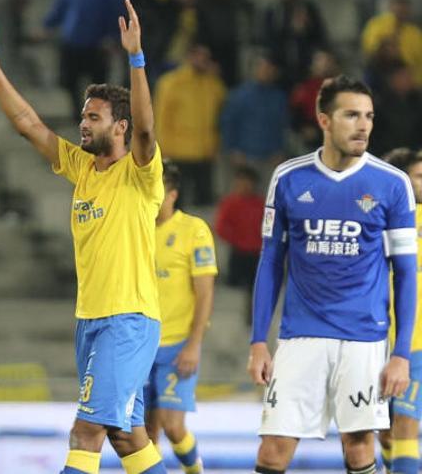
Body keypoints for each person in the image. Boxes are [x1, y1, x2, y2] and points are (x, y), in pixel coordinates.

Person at [0, 0, 168, 474]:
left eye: (93, 117)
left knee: (86, 431)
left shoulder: (140, 173)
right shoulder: (82, 169)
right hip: (91, 321)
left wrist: (136, 58)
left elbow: (146, 126)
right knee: (127, 437)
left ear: (119, 127)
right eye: (83, 114)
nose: (82, 122)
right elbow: (27, 124)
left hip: (127, 319)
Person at [247, 76, 415, 474]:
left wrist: (401, 353)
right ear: (324, 119)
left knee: (358, 449)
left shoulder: (392, 184)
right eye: (351, 114)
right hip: (300, 334)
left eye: (369, 116)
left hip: (364, 336)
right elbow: (271, 261)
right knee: (272, 451)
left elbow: (406, 274)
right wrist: (258, 340)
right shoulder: (289, 178)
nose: (364, 125)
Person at [145, 160, 216, 473]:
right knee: (145, 434)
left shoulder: (194, 230)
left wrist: (194, 345)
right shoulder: (137, 230)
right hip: (141, 345)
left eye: (156, 190)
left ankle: (194, 469)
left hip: (176, 347)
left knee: (174, 427)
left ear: (172, 194)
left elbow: (204, 293)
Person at [377, 148, 422, 474]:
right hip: (373, 339)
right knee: (384, 431)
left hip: (416, 343)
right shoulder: (378, 221)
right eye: (419, 176)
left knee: (406, 422)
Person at [153, 43, 226, 206]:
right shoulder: (170, 83)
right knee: (177, 202)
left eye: (206, 57)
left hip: (205, 152)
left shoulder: (212, 83)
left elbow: (221, 107)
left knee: (204, 201)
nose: (203, 60)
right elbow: (161, 118)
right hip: (178, 152)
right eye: (199, 56)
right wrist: (162, 148)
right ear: (189, 57)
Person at [42, 0, 123, 118]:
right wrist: (47, 25)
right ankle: (77, 113)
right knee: (70, 81)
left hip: (98, 45)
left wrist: (113, 36)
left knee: (98, 84)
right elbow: (60, 6)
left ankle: (96, 114)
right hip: (72, 42)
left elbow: (115, 11)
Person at [219, 54, 288, 177]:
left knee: (269, 194)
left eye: (270, 69)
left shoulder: (279, 97)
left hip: (271, 157)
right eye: (263, 68)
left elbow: (282, 126)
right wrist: (233, 149)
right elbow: (228, 123)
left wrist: (280, 150)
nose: (266, 72)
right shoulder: (239, 95)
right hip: (245, 157)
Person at [214, 165, 264, 325]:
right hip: (238, 253)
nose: (243, 186)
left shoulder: (263, 204)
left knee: (256, 288)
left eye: (247, 182)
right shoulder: (229, 203)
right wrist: (237, 240)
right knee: (234, 288)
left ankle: (252, 320)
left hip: (258, 254)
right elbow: (221, 228)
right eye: (240, 182)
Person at [361, 0, 422, 86]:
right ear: (390, 7)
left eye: (404, 7)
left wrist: (411, 78)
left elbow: (418, 62)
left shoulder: (415, 33)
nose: (401, 10)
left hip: (408, 76)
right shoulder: (376, 25)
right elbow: (370, 50)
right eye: (397, 6)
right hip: (380, 71)